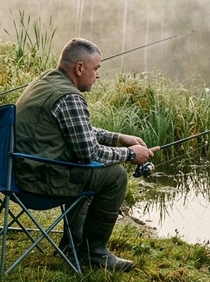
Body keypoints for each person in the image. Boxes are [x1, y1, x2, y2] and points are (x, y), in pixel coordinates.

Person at [13, 37, 159, 272]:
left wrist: (118, 137)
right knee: (114, 177)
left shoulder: (46, 80)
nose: (98, 75)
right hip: (37, 180)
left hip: (15, 171)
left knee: (87, 170)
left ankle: (73, 244)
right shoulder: (69, 97)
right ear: (80, 68)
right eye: (96, 68)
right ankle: (94, 253)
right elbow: (90, 153)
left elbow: (78, 130)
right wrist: (130, 155)